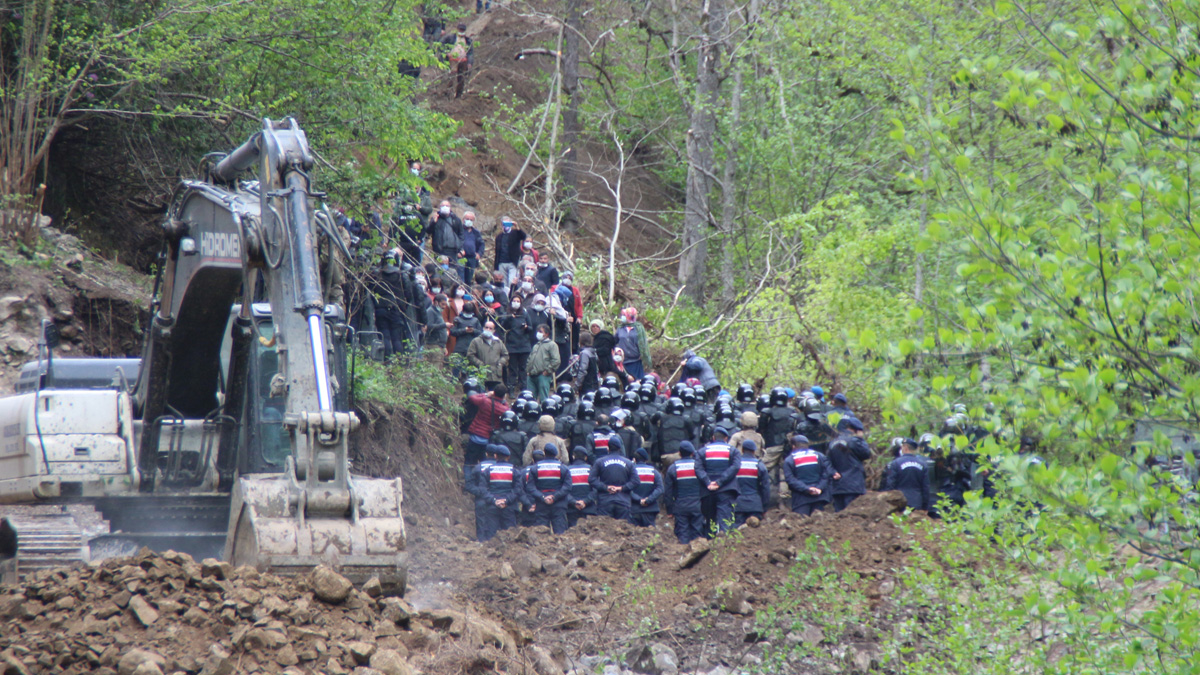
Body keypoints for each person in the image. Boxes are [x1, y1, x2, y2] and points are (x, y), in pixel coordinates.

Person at [695, 426, 741, 534]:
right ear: (726, 438)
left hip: (707, 491)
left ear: (713, 437)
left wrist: (708, 482)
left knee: (710, 522)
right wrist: (720, 482)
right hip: (726, 491)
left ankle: (709, 545)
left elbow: (698, 468)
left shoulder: (702, 451)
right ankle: (723, 546)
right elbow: (735, 467)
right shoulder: (733, 451)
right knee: (725, 521)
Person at [588, 436, 638, 521]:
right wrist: (621, 488)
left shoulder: (599, 461)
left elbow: (591, 479)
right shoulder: (629, 463)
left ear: (608, 448)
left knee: (604, 531)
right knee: (624, 530)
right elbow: (636, 481)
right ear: (620, 448)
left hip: (605, 501)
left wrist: (606, 488)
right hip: (623, 501)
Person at [782, 434, 834, 516]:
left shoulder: (789, 460)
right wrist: (819, 488)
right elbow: (826, 474)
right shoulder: (819, 455)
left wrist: (807, 489)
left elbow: (790, 479)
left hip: (801, 500)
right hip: (820, 497)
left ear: (793, 446)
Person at [664, 441, 704, 544]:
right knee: (697, 534)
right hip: (698, 505)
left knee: (683, 534)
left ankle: (683, 555)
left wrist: (669, 510)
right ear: (692, 453)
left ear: (680, 454)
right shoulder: (699, 466)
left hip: (680, 506)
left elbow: (668, 491)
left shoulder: (673, 468)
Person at [827, 417, 871, 511]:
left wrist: (833, 472)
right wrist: (861, 439)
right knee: (852, 515)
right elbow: (866, 453)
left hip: (837, 486)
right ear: (856, 430)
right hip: (853, 485)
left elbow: (826, 462)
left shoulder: (832, 442)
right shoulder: (855, 441)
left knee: (839, 516)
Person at [526, 443, 570, 533]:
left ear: (544, 453)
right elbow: (567, 487)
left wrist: (542, 497)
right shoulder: (563, 468)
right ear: (556, 454)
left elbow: (530, 487)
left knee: (541, 534)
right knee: (560, 533)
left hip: (541, 504)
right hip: (559, 504)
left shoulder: (535, 468)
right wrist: (555, 497)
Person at [478, 445, 518, 540]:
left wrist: (494, 501)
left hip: (492, 507)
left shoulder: (488, 471)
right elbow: (518, 490)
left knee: (491, 537)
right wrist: (506, 501)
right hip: (509, 507)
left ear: (495, 456)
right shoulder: (514, 471)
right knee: (510, 537)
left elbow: (483, 490)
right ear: (508, 457)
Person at [881, 438, 932, 512]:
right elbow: (926, 488)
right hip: (917, 502)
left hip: (900, 502)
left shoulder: (896, 463)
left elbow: (890, 485)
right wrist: (925, 507)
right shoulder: (923, 465)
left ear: (905, 447)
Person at [466, 384, 510, 467]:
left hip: (475, 435)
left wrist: (486, 394)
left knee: (469, 462)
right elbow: (508, 411)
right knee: (486, 464)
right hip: (488, 438)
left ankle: (469, 479)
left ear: (494, 393)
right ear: (504, 395)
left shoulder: (485, 401)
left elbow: (472, 397)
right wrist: (504, 401)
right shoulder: (503, 409)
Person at [465, 445, 500, 541]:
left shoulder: (478, 467)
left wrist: (480, 492)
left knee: (481, 523)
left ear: (486, 454)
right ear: (496, 455)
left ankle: (481, 544)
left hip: (481, 500)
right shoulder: (501, 467)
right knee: (496, 524)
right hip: (497, 499)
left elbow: (468, 485)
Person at [500, 297, 533, 392]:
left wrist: (526, 327)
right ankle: (511, 389)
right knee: (512, 369)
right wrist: (509, 318)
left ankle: (524, 388)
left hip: (524, 345)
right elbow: (503, 327)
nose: (516, 303)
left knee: (523, 368)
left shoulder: (525, 314)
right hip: (512, 346)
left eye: (518, 301)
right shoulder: (507, 314)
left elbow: (531, 328)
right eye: (514, 301)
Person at [733, 440, 770, 526]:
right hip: (755, 505)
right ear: (754, 451)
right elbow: (766, 489)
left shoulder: (735, 465)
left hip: (738, 505)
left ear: (742, 450)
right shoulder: (759, 465)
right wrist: (764, 507)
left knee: (737, 533)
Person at [467, 320, 509, 388]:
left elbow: (505, 355)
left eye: (490, 328)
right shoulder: (476, 341)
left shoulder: (498, 342)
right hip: (481, 375)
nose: (488, 329)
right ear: (483, 328)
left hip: (496, 375)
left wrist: (500, 363)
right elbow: (470, 355)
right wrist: (480, 364)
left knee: (495, 396)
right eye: (486, 327)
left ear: (494, 330)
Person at [630, 447, 664, 527]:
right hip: (650, 509)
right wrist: (648, 500)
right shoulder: (654, 472)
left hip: (634, 509)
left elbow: (627, 489)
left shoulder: (630, 472)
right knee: (650, 535)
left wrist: (639, 500)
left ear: (634, 459)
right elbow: (660, 489)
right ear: (646, 460)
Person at [614, 307, 652, 379]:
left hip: (635, 362)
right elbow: (614, 341)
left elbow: (643, 344)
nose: (623, 317)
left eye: (624, 315)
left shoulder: (638, 328)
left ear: (630, 316)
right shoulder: (620, 328)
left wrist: (643, 355)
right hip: (623, 362)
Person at [527, 324, 560, 401]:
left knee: (544, 400)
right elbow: (530, 358)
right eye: (537, 331)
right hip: (531, 376)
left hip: (543, 376)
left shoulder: (552, 345)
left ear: (547, 333)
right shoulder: (536, 345)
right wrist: (528, 370)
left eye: (540, 331)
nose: (538, 333)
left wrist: (548, 371)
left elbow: (556, 360)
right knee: (530, 399)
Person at [567, 446, 597, 528]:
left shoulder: (567, 470)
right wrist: (585, 501)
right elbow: (596, 489)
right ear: (586, 457)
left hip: (572, 509)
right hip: (589, 509)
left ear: (573, 456)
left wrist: (574, 502)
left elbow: (564, 490)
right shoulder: (591, 469)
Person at [442, 23, 474, 98]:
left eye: (462, 30)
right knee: (452, 76)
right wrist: (446, 53)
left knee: (461, 78)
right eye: (460, 30)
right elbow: (441, 44)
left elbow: (470, 53)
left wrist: (470, 63)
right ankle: (448, 93)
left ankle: (458, 95)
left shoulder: (468, 40)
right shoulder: (450, 37)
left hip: (463, 61)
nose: (461, 31)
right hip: (453, 59)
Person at [430, 199, 464, 268]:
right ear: (440, 207)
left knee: (452, 270)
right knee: (438, 269)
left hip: (452, 250)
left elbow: (461, 234)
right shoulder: (436, 218)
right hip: (439, 250)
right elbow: (429, 231)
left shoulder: (456, 219)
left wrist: (460, 247)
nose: (445, 207)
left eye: (447, 206)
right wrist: (433, 222)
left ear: (450, 207)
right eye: (443, 206)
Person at [449, 301, 482, 372]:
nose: (468, 314)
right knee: (456, 369)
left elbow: (481, 333)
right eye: (467, 313)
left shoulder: (475, 320)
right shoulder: (457, 319)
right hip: (459, 348)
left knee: (472, 370)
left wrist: (473, 331)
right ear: (463, 311)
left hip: (472, 348)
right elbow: (452, 332)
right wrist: (464, 330)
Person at [494, 217, 527, 285]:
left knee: (511, 281)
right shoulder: (499, 236)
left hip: (512, 263)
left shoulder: (515, 233)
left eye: (508, 224)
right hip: (502, 263)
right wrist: (496, 266)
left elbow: (523, 236)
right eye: (504, 224)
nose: (506, 226)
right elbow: (497, 252)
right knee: (503, 282)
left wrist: (517, 227)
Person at [423, 293, 450, 365]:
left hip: (439, 345)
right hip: (433, 344)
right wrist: (444, 325)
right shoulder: (430, 311)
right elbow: (429, 326)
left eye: (445, 304)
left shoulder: (438, 312)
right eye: (442, 304)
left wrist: (444, 346)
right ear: (436, 302)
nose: (444, 307)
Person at [460, 211, 484, 284]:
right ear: (463, 219)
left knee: (469, 279)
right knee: (461, 277)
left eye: (471, 220)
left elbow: (481, 244)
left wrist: (479, 254)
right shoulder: (459, 230)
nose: (469, 221)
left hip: (472, 259)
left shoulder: (476, 232)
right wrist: (459, 251)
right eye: (467, 219)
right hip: (461, 257)